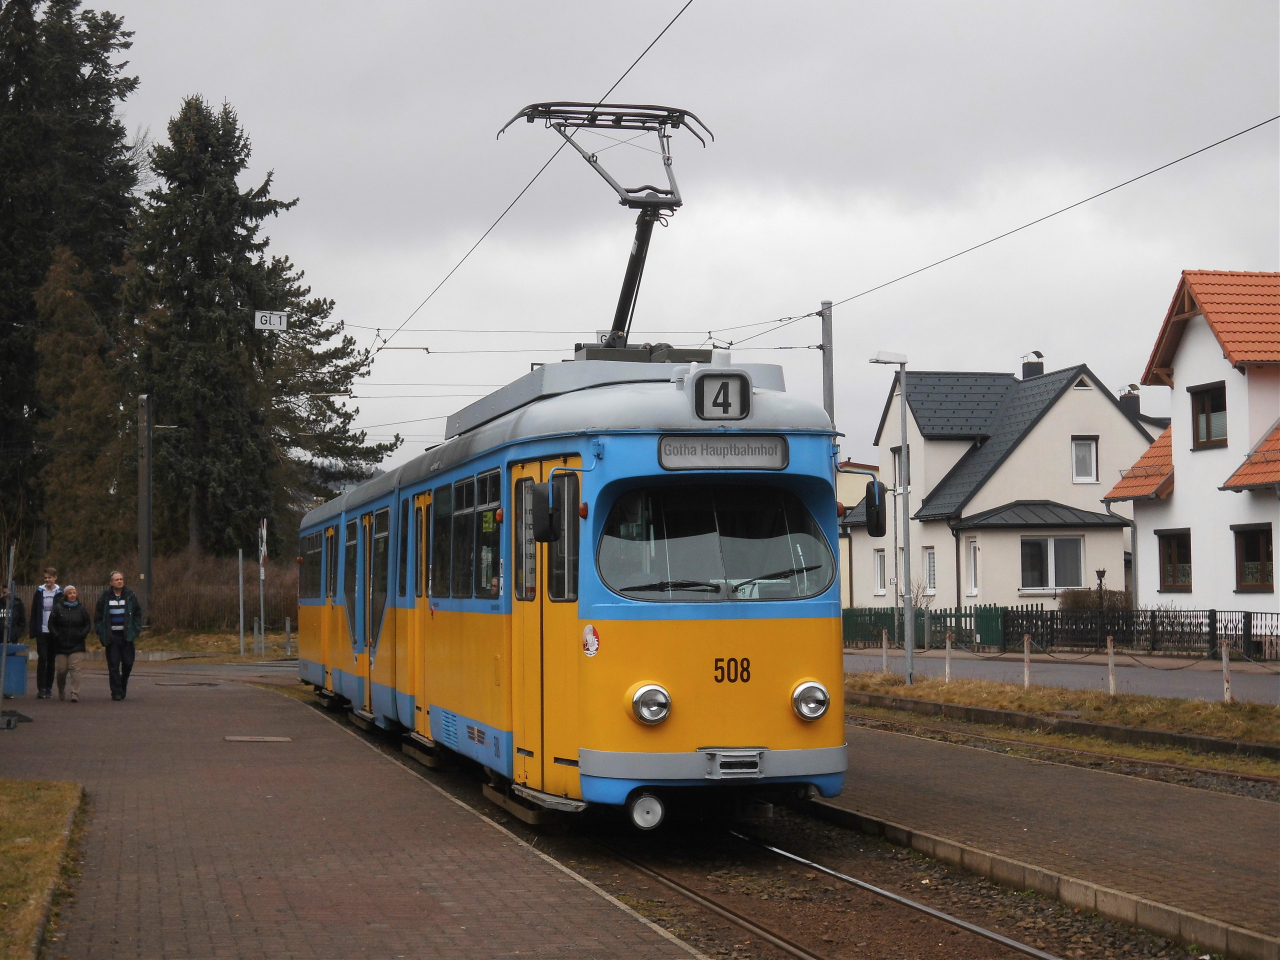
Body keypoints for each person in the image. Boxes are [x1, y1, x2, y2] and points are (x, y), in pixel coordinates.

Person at [94, 570, 142, 701]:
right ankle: (116, 691)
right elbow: (98, 617)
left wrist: (136, 629)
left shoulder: (130, 595)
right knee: (113, 665)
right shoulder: (105, 597)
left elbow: (137, 614)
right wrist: (101, 631)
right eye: (117, 579)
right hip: (112, 636)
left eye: (121, 579)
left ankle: (123, 684)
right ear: (111, 582)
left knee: (128, 663)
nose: (119, 581)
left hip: (127, 636)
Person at [48, 585, 90, 702]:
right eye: (70, 593)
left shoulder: (81, 609)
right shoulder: (57, 608)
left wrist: (82, 634)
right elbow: (51, 624)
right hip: (61, 645)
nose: (72, 595)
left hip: (77, 644)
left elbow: (87, 624)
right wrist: (57, 635)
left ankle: (74, 693)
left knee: (75, 668)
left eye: (74, 593)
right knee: (61, 670)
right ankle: (61, 689)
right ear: (66, 595)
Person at [29, 568, 61, 699]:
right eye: (45, 578)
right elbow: (34, 611)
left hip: (54, 632)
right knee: (42, 659)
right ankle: (41, 688)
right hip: (42, 630)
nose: (47, 580)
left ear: (55, 578)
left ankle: (49, 687)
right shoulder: (39, 592)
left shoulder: (59, 593)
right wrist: (33, 630)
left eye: (50, 577)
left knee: (51, 661)